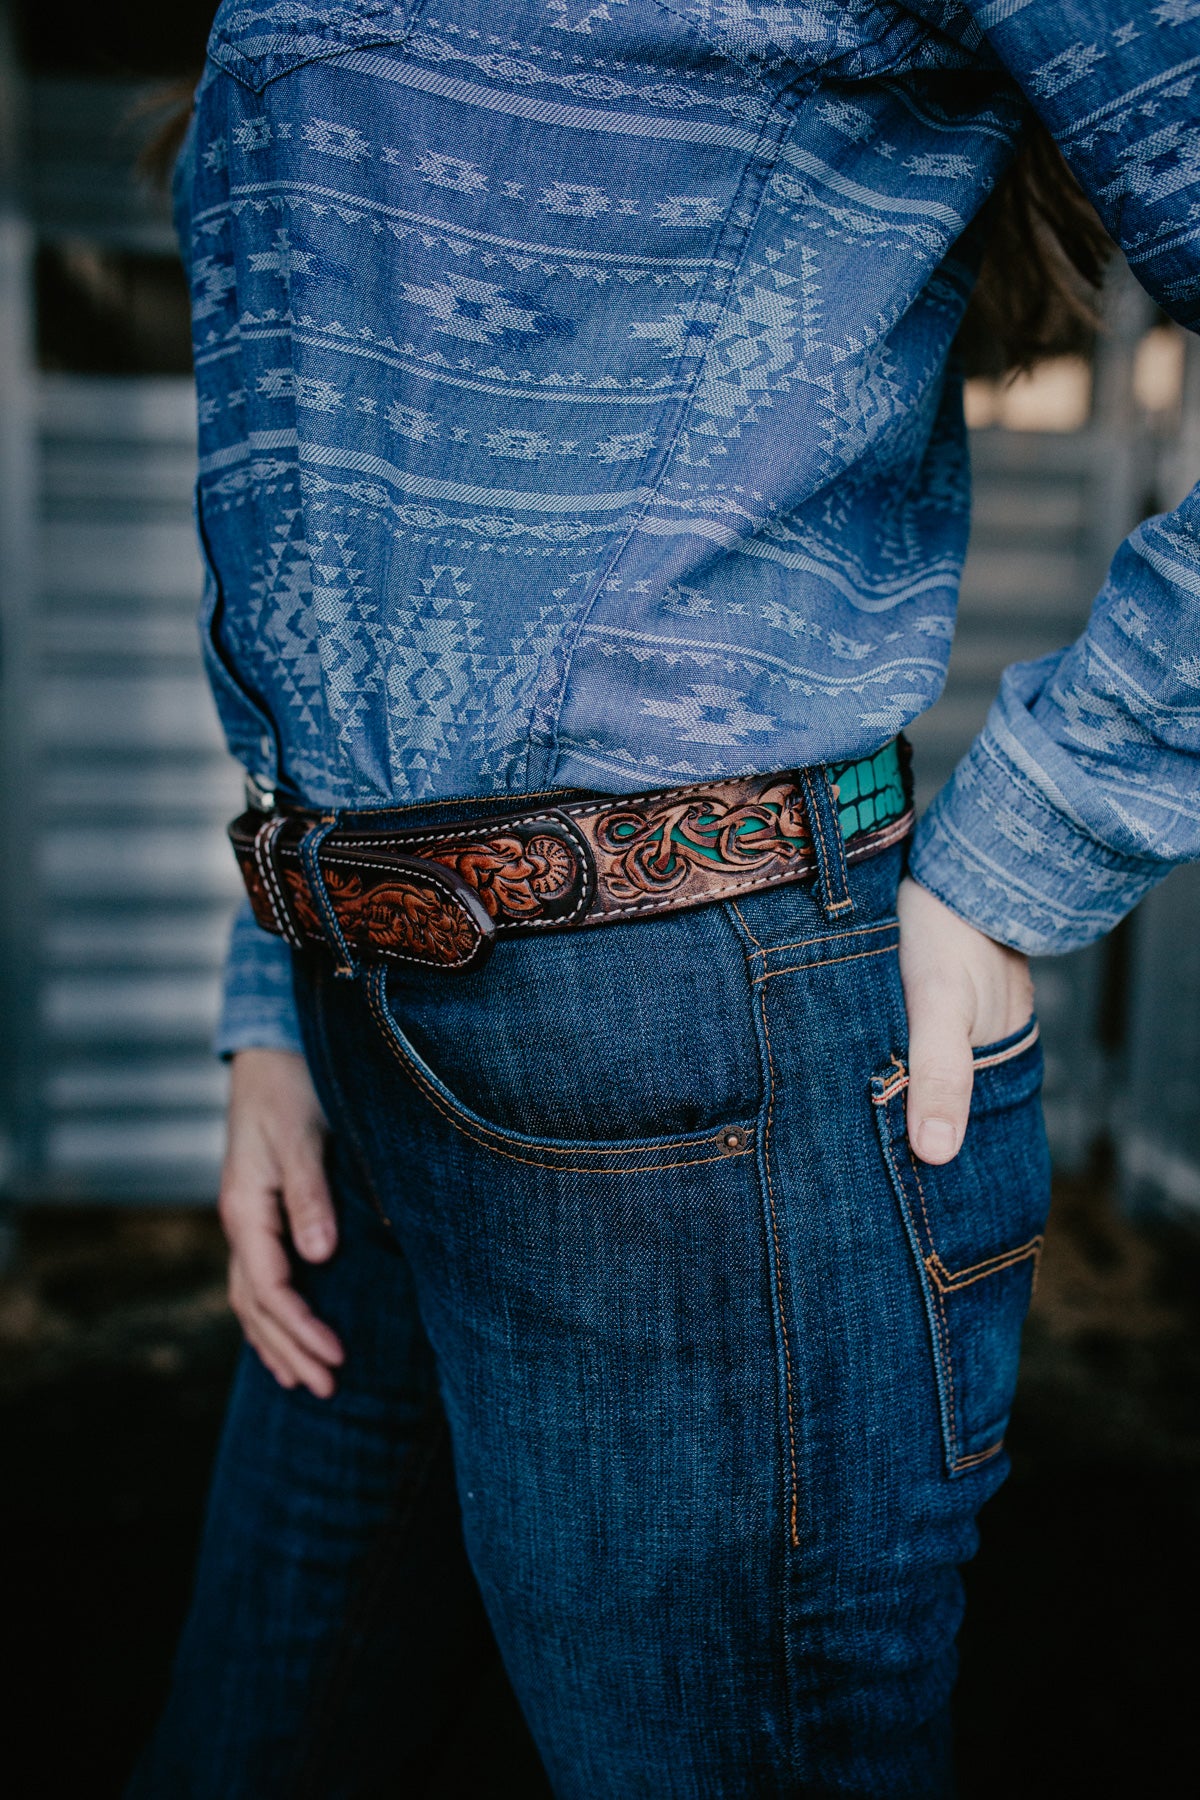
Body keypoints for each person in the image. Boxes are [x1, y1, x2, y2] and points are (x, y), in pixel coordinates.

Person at [130, 3, 1200, 1795]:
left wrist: (1037, 840)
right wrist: (275, 987)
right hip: (359, 1042)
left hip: (698, 1048)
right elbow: (322, 457)